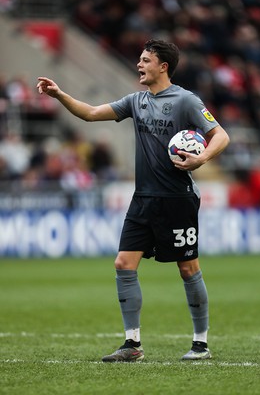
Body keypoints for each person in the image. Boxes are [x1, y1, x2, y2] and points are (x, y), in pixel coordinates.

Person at [37, 39, 230, 362]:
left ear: (163, 66)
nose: (139, 65)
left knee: (187, 268)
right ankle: (132, 344)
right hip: (142, 198)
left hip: (176, 198)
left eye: (145, 60)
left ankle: (201, 343)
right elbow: (91, 113)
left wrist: (201, 159)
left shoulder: (186, 101)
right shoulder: (136, 101)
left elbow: (220, 135)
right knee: (123, 264)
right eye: (139, 60)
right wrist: (60, 95)